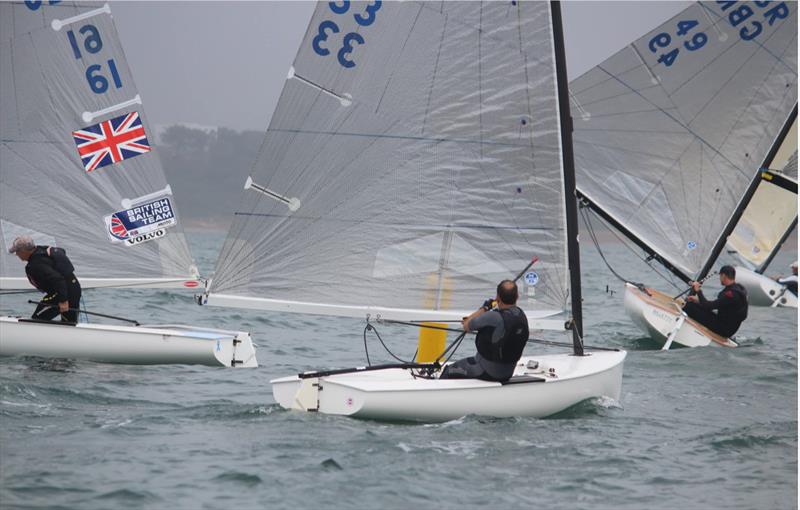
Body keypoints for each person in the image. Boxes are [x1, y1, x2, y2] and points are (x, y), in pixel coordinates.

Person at [439, 279, 529, 382]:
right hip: (508, 372)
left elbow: (467, 325)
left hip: (486, 371)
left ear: (498, 297)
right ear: (517, 296)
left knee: (448, 370)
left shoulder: (492, 317)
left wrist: (485, 308)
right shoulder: (522, 316)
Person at [8, 235, 81, 323]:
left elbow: (58, 279)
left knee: (37, 318)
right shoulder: (41, 250)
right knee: (69, 323)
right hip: (73, 288)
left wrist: (63, 301)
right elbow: (62, 251)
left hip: (63, 293)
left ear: (23, 251)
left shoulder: (36, 264)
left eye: (17, 251)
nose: (16, 254)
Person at [683, 265, 748, 338]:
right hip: (727, 327)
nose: (720, 279)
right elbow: (716, 305)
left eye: (720, 276)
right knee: (693, 304)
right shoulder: (737, 289)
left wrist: (698, 291)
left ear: (723, 276)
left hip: (723, 329)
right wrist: (698, 300)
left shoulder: (731, 294)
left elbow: (709, 306)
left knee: (689, 307)